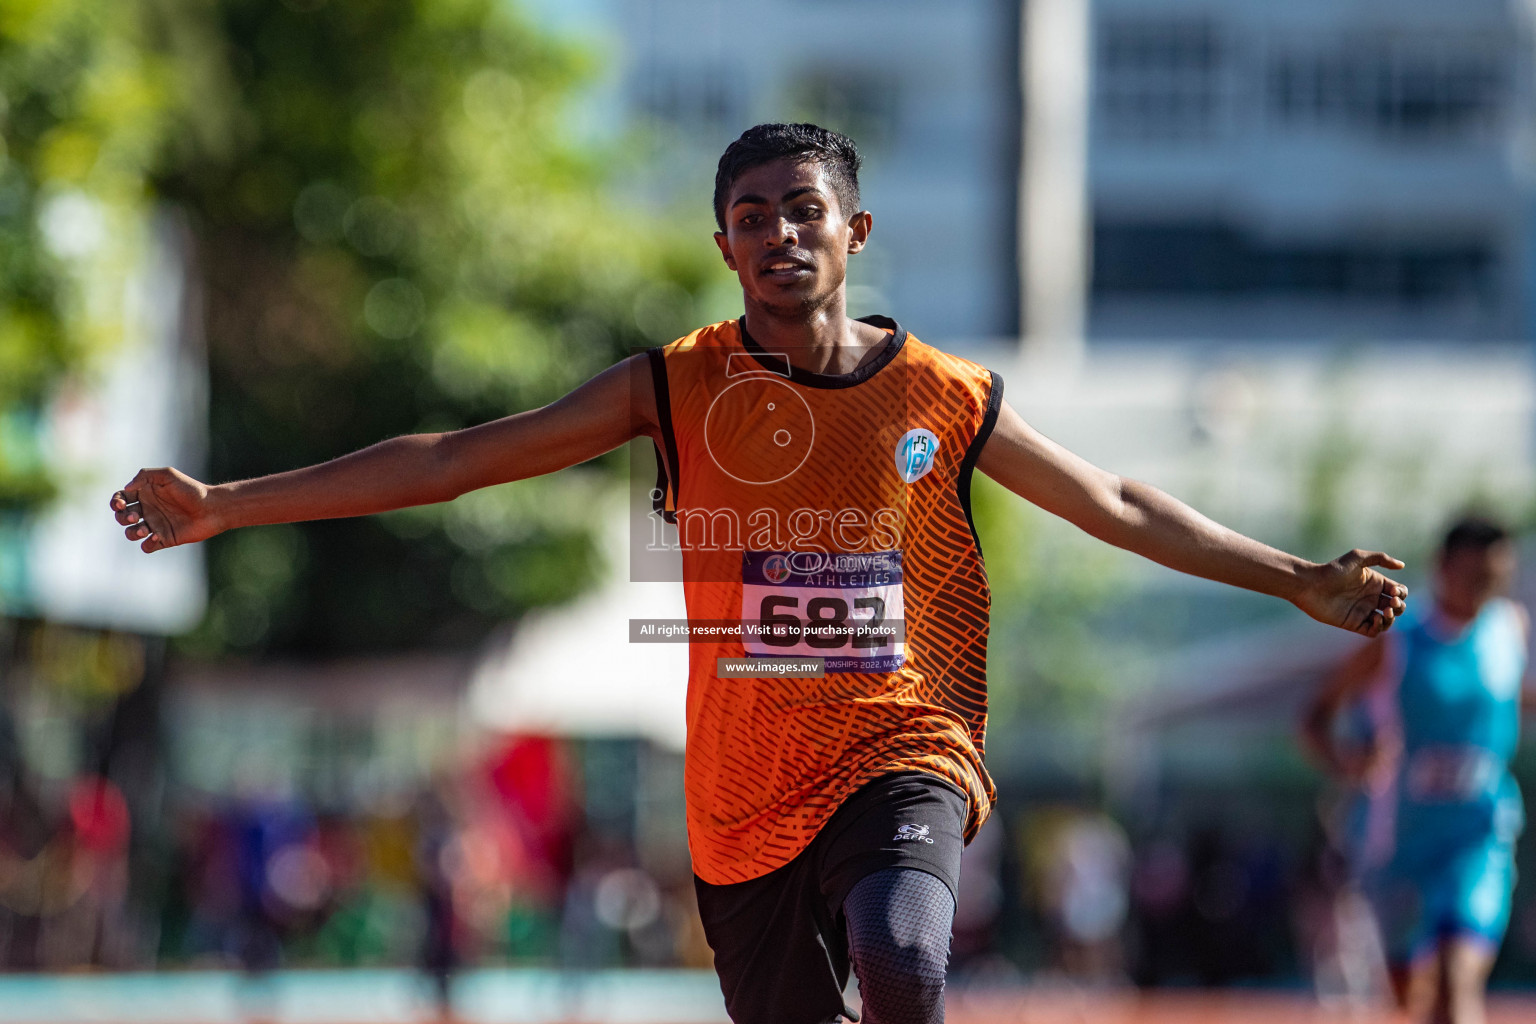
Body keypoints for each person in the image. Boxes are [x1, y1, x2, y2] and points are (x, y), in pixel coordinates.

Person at [113, 123, 1406, 1024]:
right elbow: (457, 459)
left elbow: (1114, 501)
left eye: (804, 210)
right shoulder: (675, 387)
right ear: (725, 249)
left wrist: (1294, 576)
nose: (780, 232)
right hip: (742, 791)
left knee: (905, 961)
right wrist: (229, 506)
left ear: (855, 230)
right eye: (751, 218)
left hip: (907, 741)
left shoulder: (943, 396)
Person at [1302, 515, 1527, 1024]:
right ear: (1443, 568)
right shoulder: (1396, 639)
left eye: (1494, 581)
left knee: (1455, 978)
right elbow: (1316, 717)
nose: (1482, 592)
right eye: (1473, 577)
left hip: (1479, 833)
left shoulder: (1509, 628)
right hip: (1398, 841)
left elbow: (1509, 695)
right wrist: (1346, 761)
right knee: (1411, 997)